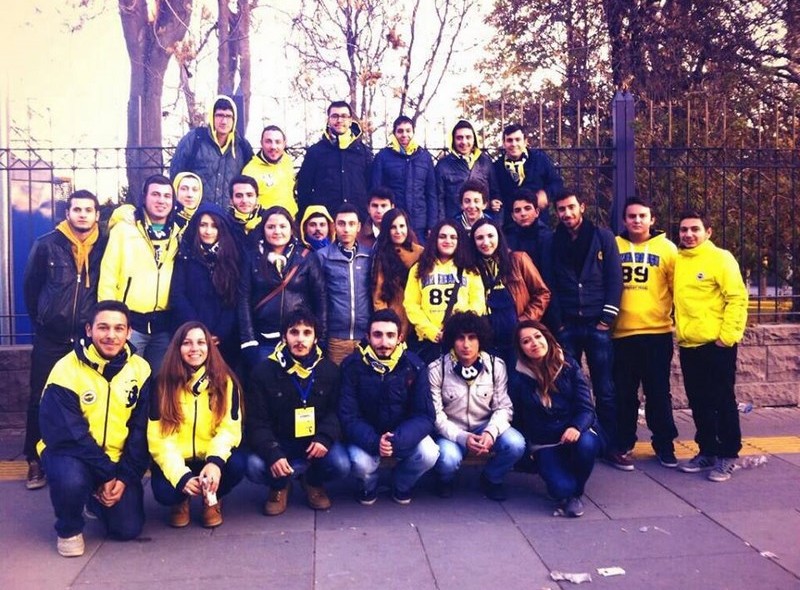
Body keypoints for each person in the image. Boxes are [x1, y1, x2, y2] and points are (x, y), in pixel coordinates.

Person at [38, 301, 151, 557]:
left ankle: (94, 499)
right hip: (70, 455)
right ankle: (69, 528)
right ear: (89, 330)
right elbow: (69, 434)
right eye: (103, 327)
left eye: (118, 328)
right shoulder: (66, 369)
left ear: (129, 332)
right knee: (71, 480)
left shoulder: (141, 369)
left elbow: (140, 430)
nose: (111, 335)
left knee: (128, 528)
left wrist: (124, 477)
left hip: (115, 461)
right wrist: (106, 473)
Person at [22, 190, 107, 490]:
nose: (82, 214)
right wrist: (43, 321)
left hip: (86, 337)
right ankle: (34, 459)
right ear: (67, 213)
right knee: (40, 396)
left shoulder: (104, 246)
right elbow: (31, 289)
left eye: (88, 209)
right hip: (52, 337)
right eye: (77, 209)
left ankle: (84, 459)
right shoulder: (47, 244)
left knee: (88, 398)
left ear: (97, 214)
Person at [549, 191, 627, 470]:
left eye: (571, 207)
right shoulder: (553, 241)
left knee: (605, 389)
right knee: (568, 388)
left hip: (597, 324)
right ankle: (574, 443)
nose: (567, 213)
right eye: (561, 209)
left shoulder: (603, 237)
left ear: (582, 207)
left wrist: (607, 318)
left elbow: (615, 279)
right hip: (567, 326)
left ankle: (611, 445)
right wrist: (558, 322)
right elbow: (550, 283)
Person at [245, 308, 350, 514]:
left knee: (341, 464)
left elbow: (336, 411)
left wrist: (325, 438)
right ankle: (279, 486)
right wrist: (272, 452)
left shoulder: (329, 370)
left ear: (316, 338)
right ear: (284, 337)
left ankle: (312, 482)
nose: (300, 339)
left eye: (307, 333)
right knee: (254, 465)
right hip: (280, 441)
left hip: (313, 444)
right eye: (294, 332)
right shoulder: (263, 372)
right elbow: (257, 421)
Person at [147, 322, 245, 528]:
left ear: (210, 347)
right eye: (187, 343)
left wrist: (215, 462)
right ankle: (180, 501)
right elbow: (159, 439)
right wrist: (180, 476)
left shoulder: (225, 381)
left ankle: (212, 498)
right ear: (177, 348)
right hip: (177, 459)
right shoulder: (162, 385)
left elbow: (229, 429)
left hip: (209, 457)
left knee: (237, 465)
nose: (194, 348)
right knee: (165, 492)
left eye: (201, 342)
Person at [674, 211, 748, 482]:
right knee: (698, 401)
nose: (689, 234)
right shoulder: (679, 260)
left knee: (722, 401)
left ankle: (728, 454)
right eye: (684, 229)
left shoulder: (721, 258)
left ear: (708, 232)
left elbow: (737, 298)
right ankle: (707, 450)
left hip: (716, 345)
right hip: (689, 344)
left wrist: (726, 338)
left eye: (695, 229)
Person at [339, 309, 438, 505]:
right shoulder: (351, 366)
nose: (384, 342)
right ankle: (368, 487)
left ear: (400, 338)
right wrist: (376, 442)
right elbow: (348, 415)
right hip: (366, 437)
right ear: (368, 336)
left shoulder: (414, 365)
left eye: (390, 335)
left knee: (429, 453)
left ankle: (401, 484)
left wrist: (397, 440)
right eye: (377, 335)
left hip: (401, 435)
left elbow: (425, 415)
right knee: (361, 463)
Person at [429, 311, 525, 501]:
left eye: (472, 337)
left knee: (516, 444)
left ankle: (492, 478)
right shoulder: (436, 369)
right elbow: (435, 414)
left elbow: (503, 407)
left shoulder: (496, 365)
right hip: (452, 431)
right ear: (452, 340)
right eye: (460, 338)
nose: (466, 345)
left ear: (481, 339)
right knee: (447, 459)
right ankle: (445, 479)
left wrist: (491, 432)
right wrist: (462, 437)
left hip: (484, 427)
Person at [511, 320, 603, 517]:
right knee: (560, 489)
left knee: (587, 444)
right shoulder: (518, 376)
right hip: (544, 442)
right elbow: (517, 417)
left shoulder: (568, 365)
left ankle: (576, 493)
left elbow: (586, 408)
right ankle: (564, 484)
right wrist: (526, 453)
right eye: (526, 341)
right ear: (521, 348)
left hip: (574, 433)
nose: (534, 343)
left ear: (547, 337)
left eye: (538, 337)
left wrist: (576, 427)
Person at [612, 197, 679, 467]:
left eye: (642, 216)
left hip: (657, 334)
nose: (637, 220)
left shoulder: (667, 249)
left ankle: (664, 444)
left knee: (658, 393)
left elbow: (678, 289)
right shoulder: (613, 245)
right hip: (621, 334)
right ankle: (623, 443)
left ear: (652, 219)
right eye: (632, 216)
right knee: (624, 394)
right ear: (624, 220)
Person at [98, 175, 181, 373]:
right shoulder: (124, 229)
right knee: (126, 377)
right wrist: (110, 319)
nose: (161, 200)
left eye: (167, 196)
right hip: (130, 322)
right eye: (155, 194)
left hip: (163, 325)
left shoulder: (178, 233)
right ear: (144, 197)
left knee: (160, 381)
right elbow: (108, 275)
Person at [239, 206, 326, 368]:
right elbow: (243, 299)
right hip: (263, 339)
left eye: (282, 226)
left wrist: (320, 338)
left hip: (298, 337)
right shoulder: (252, 258)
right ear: (263, 229)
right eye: (271, 227)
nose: (277, 231)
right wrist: (248, 340)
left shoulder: (307, 257)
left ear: (291, 229)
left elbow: (320, 298)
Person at [169, 203, 242, 367]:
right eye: (203, 225)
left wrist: (220, 332)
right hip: (189, 334)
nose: (208, 231)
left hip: (222, 339)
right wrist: (198, 331)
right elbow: (178, 295)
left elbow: (233, 299)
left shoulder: (232, 258)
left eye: (214, 226)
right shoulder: (185, 255)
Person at [470, 218, 550, 367]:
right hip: (487, 341)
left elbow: (542, 293)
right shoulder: (471, 268)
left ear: (499, 237)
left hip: (517, 339)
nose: (486, 242)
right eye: (479, 238)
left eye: (490, 236)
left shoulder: (518, 259)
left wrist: (525, 320)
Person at [404, 219, 486, 362]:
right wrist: (431, 331)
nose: (448, 241)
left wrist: (460, 330)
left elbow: (478, 304)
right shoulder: (419, 268)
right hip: (430, 342)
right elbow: (411, 304)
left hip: (461, 341)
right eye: (442, 236)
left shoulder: (470, 269)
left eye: (453, 237)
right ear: (434, 239)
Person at [170, 95, 254, 207]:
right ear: (212, 117)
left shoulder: (242, 146)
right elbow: (176, 174)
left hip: (228, 215)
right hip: (197, 213)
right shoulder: (195, 139)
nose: (224, 121)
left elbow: (250, 181)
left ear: (234, 119)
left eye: (229, 116)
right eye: (219, 115)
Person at [315, 204, 373, 364]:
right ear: (334, 226)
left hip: (366, 336)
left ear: (359, 227)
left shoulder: (369, 255)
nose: (346, 229)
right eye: (341, 223)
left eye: (351, 224)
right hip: (336, 337)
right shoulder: (322, 256)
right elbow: (317, 296)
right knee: (337, 377)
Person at [297, 100, 373, 214]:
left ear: (350, 121)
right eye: (335, 116)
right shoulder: (315, 152)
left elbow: (371, 186)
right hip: (325, 220)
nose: (339, 120)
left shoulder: (363, 152)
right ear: (328, 120)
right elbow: (304, 188)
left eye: (344, 116)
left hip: (357, 218)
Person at [371, 115, 437, 242]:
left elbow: (431, 193)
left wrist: (432, 224)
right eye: (400, 131)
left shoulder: (424, 157)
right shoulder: (383, 157)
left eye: (408, 131)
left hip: (419, 223)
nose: (404, 135)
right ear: (394, 133)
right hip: (394, 223)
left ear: (413, 132)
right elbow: (376, 190)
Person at [492, 124, 562, 225]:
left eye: (518, 139)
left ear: (525, 141)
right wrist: (493, 200)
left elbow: (557, 183)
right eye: (509, 140)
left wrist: (546, 194)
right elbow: (493, 191)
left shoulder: (539, 159)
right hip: (510, 225)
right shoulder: (497, 166)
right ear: (504, 143)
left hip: (539, 223)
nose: (514, 144)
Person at [371, 208, 424, 340]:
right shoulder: (382, 255)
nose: (398, 231)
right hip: (396, 320)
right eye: (393, 227)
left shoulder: (421, 253)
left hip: (421, 321)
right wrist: (387, 325)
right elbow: (378, 297)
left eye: (402, 226)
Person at [435, 119, 499, 220]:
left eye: (468, 137)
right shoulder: (443, 165)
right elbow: (439, 199)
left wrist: (495, 203)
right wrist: (442, 224)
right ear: (453, 140)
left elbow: (495, 192)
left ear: (474, 139)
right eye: (459, 138)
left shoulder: (485, 161)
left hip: (482, 221)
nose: (464, 142)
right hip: (455, 221)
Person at [242, 125, 298, 217]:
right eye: (268, 141)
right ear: (261, 143)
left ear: (284, 144)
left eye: (277, 142)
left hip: (290, 222)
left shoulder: (287, 161)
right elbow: (245, 208)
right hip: (266, 224)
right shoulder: (250, 171)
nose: (273, 146)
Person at [505, 188, 554, 287]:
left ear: (537, 212)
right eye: (517, 210)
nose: (523, 213)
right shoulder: (506, 237)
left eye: (527, 208)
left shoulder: (548, 238)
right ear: (513, 216)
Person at [227, 174, 266, 248]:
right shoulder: (224, 224)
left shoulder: (268, 220)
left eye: (249, 195)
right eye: (239, 196)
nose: (244, 200)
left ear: (257, 198)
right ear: (231, 200)